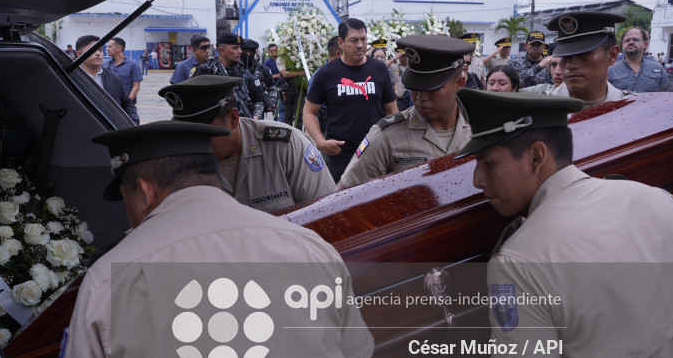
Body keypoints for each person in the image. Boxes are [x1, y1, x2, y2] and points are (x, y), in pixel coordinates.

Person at [366, 89, 673, 358]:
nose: (477, 181)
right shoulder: (658, 198)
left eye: (488, 163)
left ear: (535, 156)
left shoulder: (522, 260)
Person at [45, 116, 373, 358]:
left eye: (126, 201)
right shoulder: (310, 247)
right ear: (212, 178)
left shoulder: (109, 278)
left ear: (144, 192)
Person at [160, 75, 335, 213]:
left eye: (202, 133)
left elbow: (326, 211)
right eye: (186, 133)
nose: (193, 143)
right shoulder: (178, 163)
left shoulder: (284, 146)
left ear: (233, 118)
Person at [337, 35, 474, 190]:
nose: (421, 97)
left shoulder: (481, 129)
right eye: (415, 87)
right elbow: (343, 197)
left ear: (459, 84)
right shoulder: (387, 136)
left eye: (432, 88)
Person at [303, 18, 398, 184]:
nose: (360, 45)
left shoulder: (379, 68)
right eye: (354, 40)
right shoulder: (326, 73)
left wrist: (393, 142)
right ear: (341, 42)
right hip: (340, 153)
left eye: (364, 39)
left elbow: (392, 111)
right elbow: (309, 112)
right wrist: (320, 141)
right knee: (344, 202)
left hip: (376, 150)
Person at [546, 12, 628, 107]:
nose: (570, 65)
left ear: (612, 55)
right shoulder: (539, 110)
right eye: (564, 55)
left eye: (583, 54)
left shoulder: (630, 107)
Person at [192, 32, 265, 120]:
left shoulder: (244, 72)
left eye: (240, 47)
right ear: (221, 50)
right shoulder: (205, 71)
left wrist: (255, 117)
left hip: (242, 124)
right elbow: (193, 102)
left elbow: (259, 100)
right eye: (235, 48)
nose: (240, 51)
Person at [75, 35, 139, 124]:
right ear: (79, 54)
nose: (98, 53)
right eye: (92, 50)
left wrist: (134, 122)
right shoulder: (71, 78)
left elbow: (127, 104)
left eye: (100, 50)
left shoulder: (114, 78)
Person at [608, 27, 668, 92]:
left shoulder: (658, 69)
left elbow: (666, 97)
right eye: (627, 40)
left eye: (635, 40)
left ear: (645, 44)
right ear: (622, 45)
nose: (630, 42)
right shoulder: (610, 70)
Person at [241, 38, 278, 116]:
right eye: (245, 52)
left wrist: (272, 101)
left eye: (250, 52)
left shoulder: (262, 69)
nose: (248, 54)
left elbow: (272, 88)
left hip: (257, 110)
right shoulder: (236, 68)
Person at [103, 37, 142, 104]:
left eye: (109, 47)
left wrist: (128, 102)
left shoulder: (132, 65)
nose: (107, 49)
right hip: (109, 103)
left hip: (126, 104)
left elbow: (136, 86)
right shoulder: (105, 65)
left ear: (119, 48)